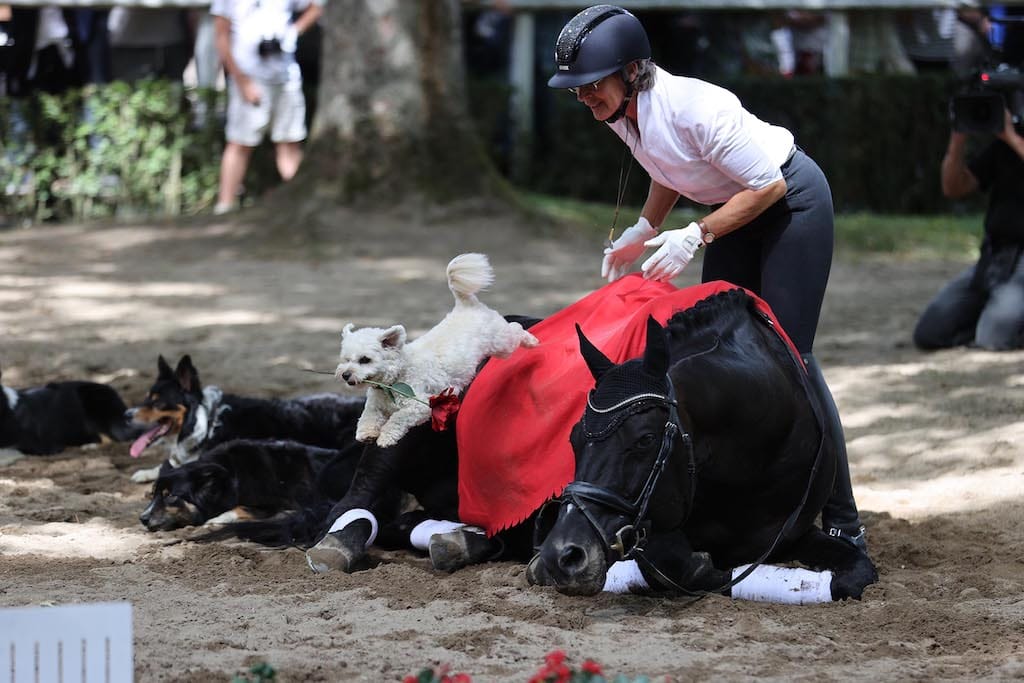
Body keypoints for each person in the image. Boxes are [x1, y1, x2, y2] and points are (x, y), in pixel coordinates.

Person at [547, 5, 868, 551]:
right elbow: (665, 168)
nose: (583, 98)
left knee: (790, 354)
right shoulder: (622, 113)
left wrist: (696, 235)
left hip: (789, 202)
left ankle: (842, 514)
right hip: (731, 210)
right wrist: (646, 226)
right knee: (725, 351)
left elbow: (767, 188)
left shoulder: (696, 107)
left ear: (630, 71)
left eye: (590, 86)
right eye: (575, 89)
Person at [913, 109, 1024, 350]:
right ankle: (994, 314)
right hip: (995, 256)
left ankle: (998, 320)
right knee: (930, 333)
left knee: (993, 337)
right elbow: (954, 187)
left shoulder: (1012, 140)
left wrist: (1013, 139)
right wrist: (958, 140)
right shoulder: (1003, 146)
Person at [210, 0, 322, 215]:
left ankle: (297, 206)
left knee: (289, 143)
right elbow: (221, 36)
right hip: (249, 77)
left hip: (286, 77)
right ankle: (224, 206)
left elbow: (318, 5)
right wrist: (242, 80)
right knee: (239, 143)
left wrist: (294, 32)